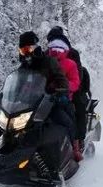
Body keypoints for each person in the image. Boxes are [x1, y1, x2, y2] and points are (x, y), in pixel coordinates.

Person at [18, 31, 81, 161]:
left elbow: (62, 78)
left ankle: (74, 148)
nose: (27, 53)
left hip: (53, 99)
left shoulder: (49, 61)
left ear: (35, 47)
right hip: (33, 101)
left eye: (29, 48)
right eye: (23, 50)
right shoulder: (25, 65)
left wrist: (61, 89)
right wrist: (10, 93)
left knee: (66, 120)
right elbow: (20, 81)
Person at [46, 26, 91, 151]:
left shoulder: (72, 53)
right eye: (51, 40)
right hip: (50, 91)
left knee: (79, 106)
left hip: (72, 88)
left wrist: (67, 87)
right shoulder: (46, 54)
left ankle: (79, 139)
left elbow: (78, 74)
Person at [47, 38, 83, 161]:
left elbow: (75, 82)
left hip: (62, 99)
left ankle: (75, 148)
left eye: (59, 49)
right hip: (43, 99)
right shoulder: (45, 62)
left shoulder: (70, 64)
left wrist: (64, 87)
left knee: (68, 121)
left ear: (65, 50)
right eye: (53, 48)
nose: (56, 51)